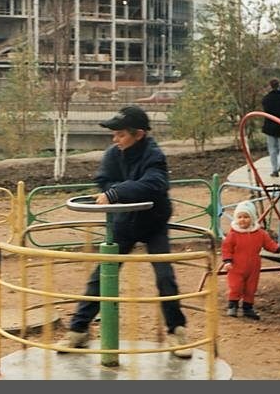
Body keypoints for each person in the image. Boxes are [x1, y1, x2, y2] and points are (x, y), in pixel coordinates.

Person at [56, 105, 192, 358]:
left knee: (165, 275)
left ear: (138, 134)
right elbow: (104, 181)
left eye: (120, 135)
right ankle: (79, 330)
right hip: (124, 223)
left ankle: (176, 329)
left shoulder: (154, 154)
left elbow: (155, 183)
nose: (115, 140)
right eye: (114, 134)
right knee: (102, 275)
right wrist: (117, 191)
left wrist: (117, 192)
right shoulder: (113, 154)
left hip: (153, 223)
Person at [221, 200, 280, 320]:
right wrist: (227, 261)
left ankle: (248, 308)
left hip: (253, 266)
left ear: (252, 218)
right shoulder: (233, 235)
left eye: (246, 217)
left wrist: (279, 250)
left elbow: (269, 244)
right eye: (240, 217)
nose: (243, 220)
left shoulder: (260, 233)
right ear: (236, 218)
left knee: (251, 288)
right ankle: (233, 305)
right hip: (236, 266)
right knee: (235, 286)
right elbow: (226, 249)